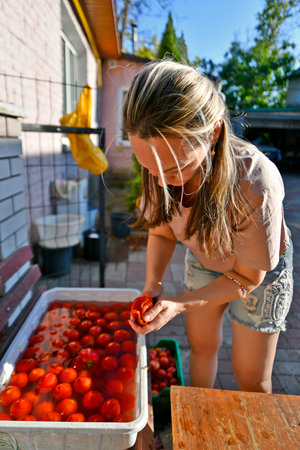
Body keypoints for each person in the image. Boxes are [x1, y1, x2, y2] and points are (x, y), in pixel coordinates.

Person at [123, 60, 293, 393]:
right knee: (201, 349)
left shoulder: (255, 181)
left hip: (258, 272)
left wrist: (182, 303)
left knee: (250, 377)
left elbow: (248, 277)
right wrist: (153, 283)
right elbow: (161, 230)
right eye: (149, 168)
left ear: (213, 133)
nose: (160, 181)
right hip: (205, 257)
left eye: (174, 169)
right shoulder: (158, 168)